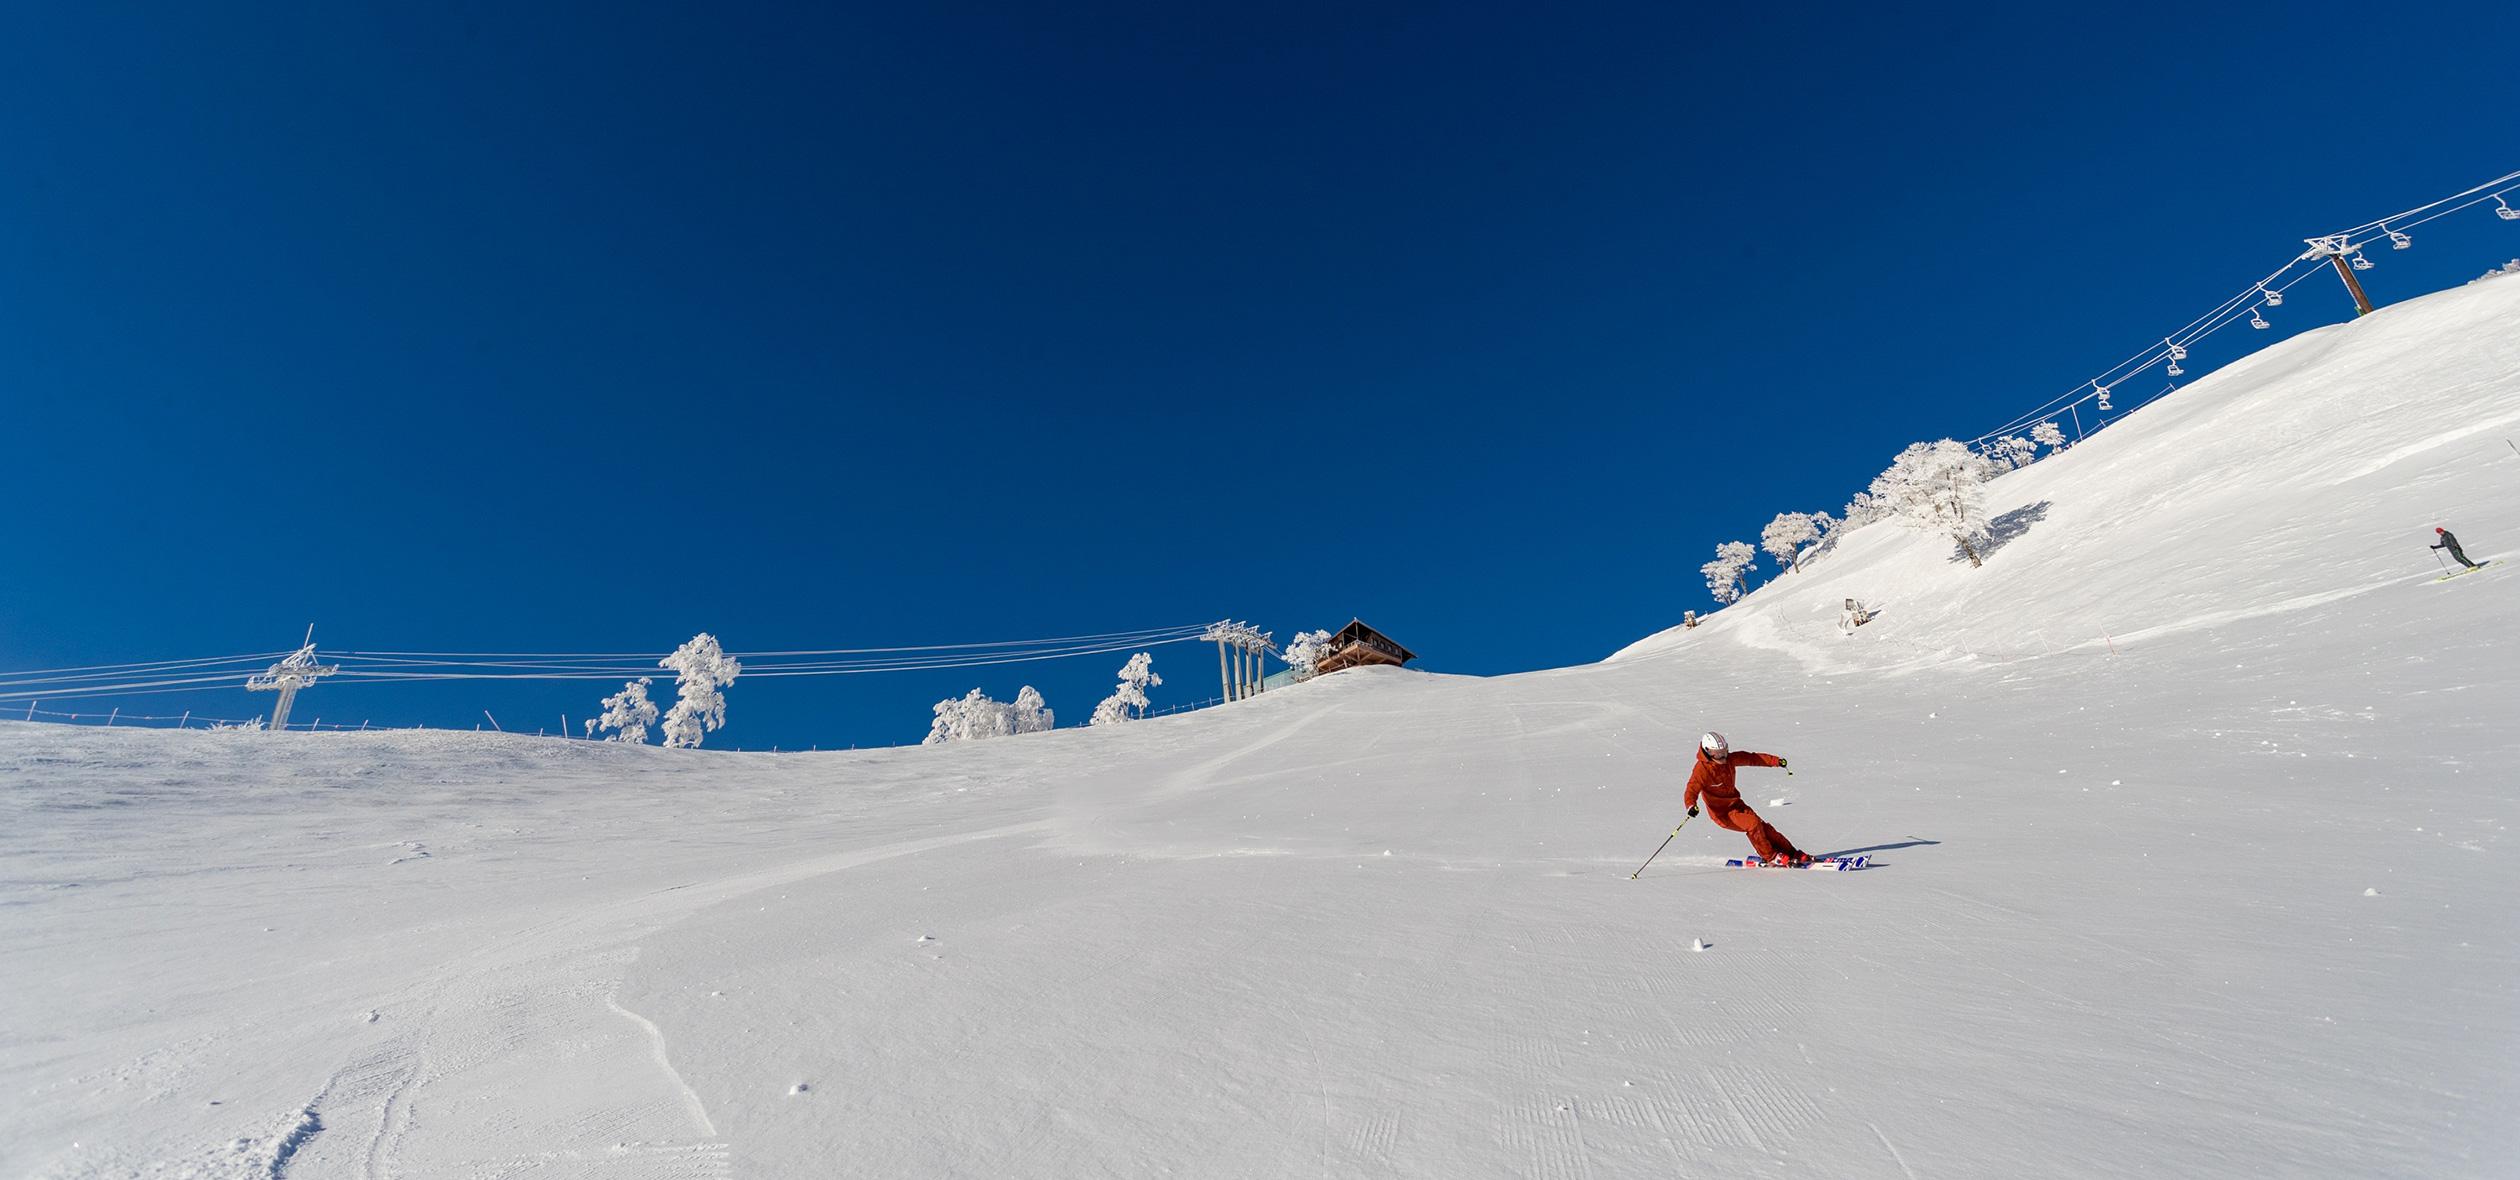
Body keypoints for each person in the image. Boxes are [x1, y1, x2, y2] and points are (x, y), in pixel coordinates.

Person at [1684, 731, 1807, 866]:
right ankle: (1770, 857)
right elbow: (1691, 789)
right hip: (1722, 814)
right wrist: (1691, 805)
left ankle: (1792, 853)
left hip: (1736, 804)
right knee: (1752, 824)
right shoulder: (1702, 770)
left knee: (1764, 828)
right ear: (1707, 751)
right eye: (1717, 753)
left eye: (1724, 751)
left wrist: (1775, 761)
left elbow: (1752, 758)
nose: (1722, 756)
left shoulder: (1729, 759)